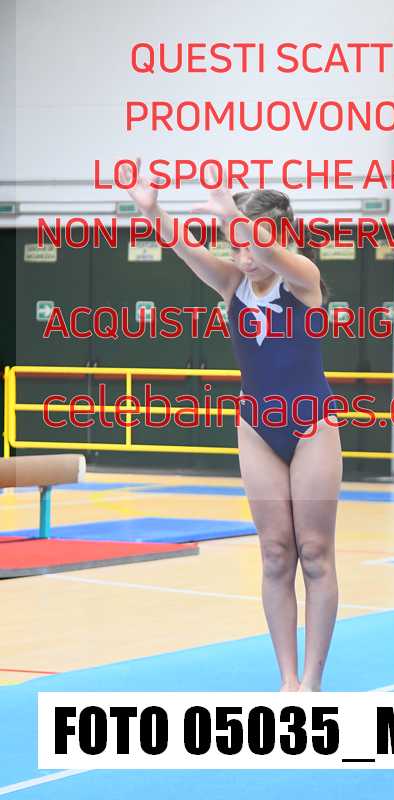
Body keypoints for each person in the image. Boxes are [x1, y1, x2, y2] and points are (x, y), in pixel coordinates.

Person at [121, 160, 343, 691]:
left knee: (314, 552)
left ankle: (312, 684)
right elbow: (183, 248)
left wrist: (235, 220)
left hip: (311, 424)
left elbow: (269, 253)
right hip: (257, 428)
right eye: (233, 244)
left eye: (247, 243)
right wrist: (152, 211)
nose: (242, 256)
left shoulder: (304, 279)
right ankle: (287, 681)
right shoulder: (232, 284)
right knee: (275, 553)